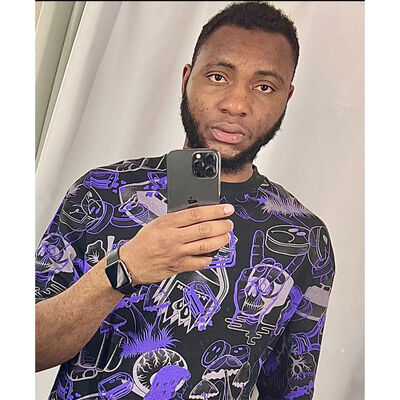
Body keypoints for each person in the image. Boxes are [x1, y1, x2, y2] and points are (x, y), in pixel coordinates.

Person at [35, 2, 336, 399]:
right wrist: (124, 269)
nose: (236, 104)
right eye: (218, 76)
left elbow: (289, 391)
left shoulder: (305, 240)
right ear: (186, 79)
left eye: (264, 86)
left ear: (287, 98)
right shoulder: (102, 191)